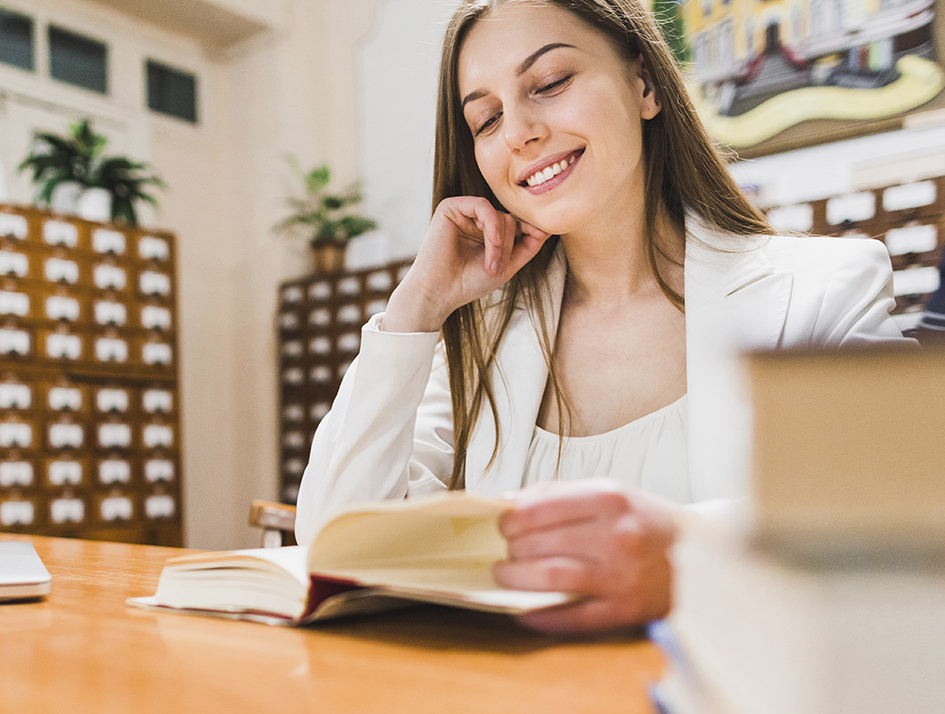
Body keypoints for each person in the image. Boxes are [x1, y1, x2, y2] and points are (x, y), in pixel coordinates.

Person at [294, 0, 914, 635]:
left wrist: (682, 555)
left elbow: (900, 525)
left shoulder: (823, 290)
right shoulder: (477, 337)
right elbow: (334, 546)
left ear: (643, 84)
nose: (518, 133)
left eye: (551, 83)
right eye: (486, 118)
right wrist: (415, 308)